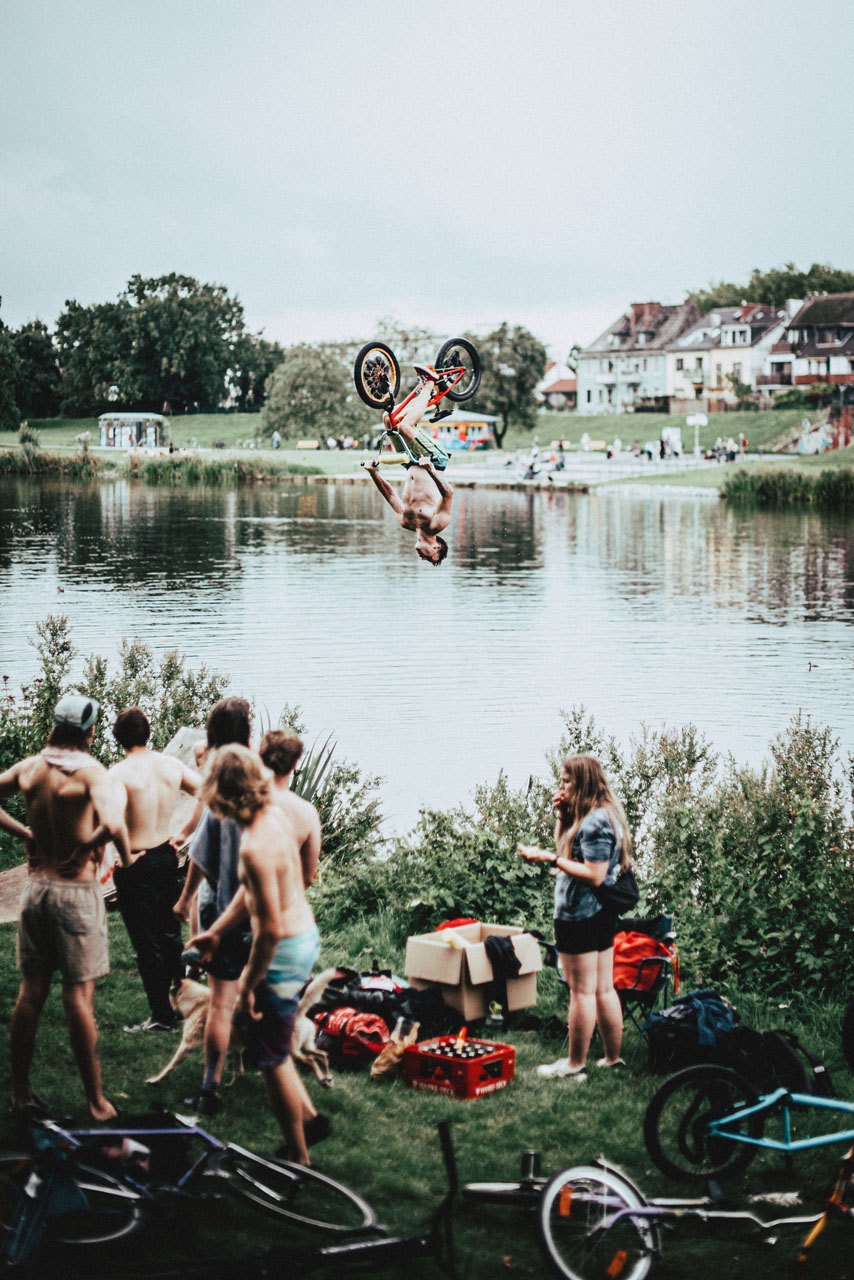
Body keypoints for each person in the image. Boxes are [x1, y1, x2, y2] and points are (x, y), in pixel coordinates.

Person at [0, 695, 133, 1120]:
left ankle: (21, 1094)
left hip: (36, 891)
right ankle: (96, 1102)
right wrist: (85, 848)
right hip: (75, 893)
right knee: (78, 997)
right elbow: (113, 826)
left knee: (30, 991)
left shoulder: (30, 768)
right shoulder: (93, 775)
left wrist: (27, 832)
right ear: (90, 732)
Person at [191, 745, 322, 1165]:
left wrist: (247, 985)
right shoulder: (275, 818)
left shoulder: (253, 846)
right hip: (303, 936)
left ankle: (298, 1158)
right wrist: (215, 932)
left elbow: (268, 931)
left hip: (282, 950)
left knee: (271, 1057)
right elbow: (251, 891)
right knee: (274, 1045)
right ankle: (309, 1122)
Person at [518, 754, 630, 1081]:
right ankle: (612, 1058)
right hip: (601, 914)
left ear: (581, 781)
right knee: (603, 989)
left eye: (566, 780)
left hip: (580, 916)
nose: (560, 785)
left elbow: (593, 875)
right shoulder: (601, 815)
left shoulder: (596, 821)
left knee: (581, 991)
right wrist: (563, 814)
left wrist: (548, 858)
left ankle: (574, 1065)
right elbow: (566, 847)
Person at [173, 697, 254, 1116]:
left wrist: (187, 897)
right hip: (258, 911)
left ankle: (210, 1089)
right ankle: (269, 1060)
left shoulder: (220, 783)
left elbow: (201, 854)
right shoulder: (260, 782)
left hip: (220, 912)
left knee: (221, 1002)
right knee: (254, 990)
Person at [108, 708, 201, 1033]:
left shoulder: (118, 773)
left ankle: (162, 1015)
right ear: (148, 733)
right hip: (165, 856)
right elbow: (208, 793)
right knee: (170, 934)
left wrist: (123, 856)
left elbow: (112, 821)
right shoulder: (170, 764)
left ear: (118, 738)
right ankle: (180, 1004)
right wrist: (186, 831)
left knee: (146, 941)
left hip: (136, 860)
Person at [365, 365, 453, 565]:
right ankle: (430, 383)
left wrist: (373, 474)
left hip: (410, 461)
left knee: (388, 420)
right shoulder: (437, 524)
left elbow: (389, 494)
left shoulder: (405, 522)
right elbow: (449, 493)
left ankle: (421, 389)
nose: (423, 558)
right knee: (405, 427)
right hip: (434, 461)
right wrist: (431, 470)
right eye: (429, 556)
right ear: (437, 546)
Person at [258, 730, 321, 889]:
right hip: (280, 903)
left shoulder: (239, 799)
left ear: (261, 757)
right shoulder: (308, 813)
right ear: (294, 764)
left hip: (230, 900)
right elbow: (307, 878)